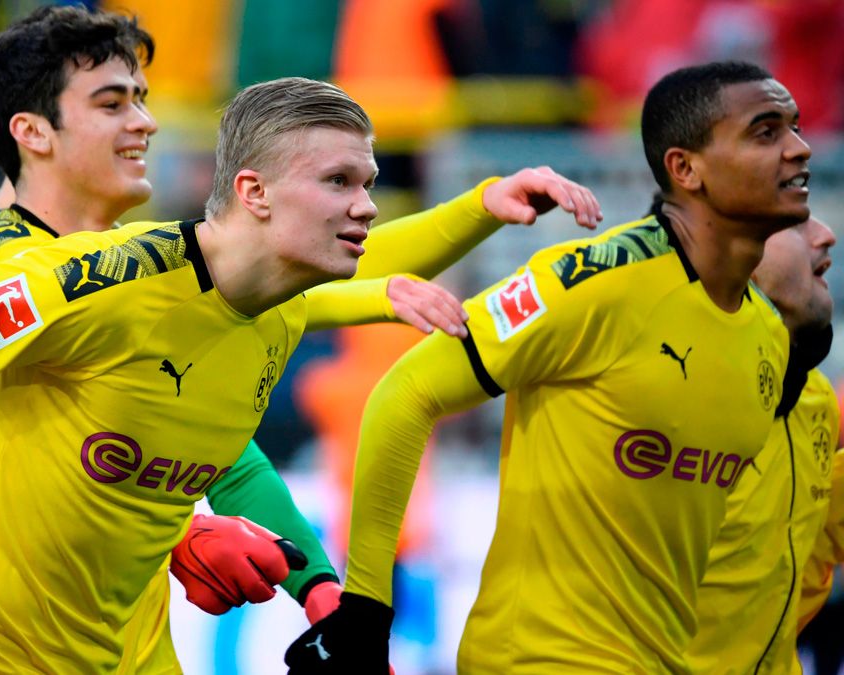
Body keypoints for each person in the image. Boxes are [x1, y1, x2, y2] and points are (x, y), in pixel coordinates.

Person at [0, 7, 602, 671]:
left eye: (144, 99)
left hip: (124, 632)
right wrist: (188, 532)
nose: (146, 123)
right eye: (113, 102)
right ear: (33, 132)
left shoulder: (150, 264)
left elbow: (262, 309)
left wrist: (318, 585)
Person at [287, 60, 809, 673]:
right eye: (766, 132)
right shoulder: (591, 281)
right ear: (684, 168)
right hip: (542, 658)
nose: (800, 150)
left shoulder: (767, 335)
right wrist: (367, 611)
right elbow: (405, 390)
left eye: (795, 128)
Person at [685, 211, 838, 673]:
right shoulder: (661, 388)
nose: (826, 236)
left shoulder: (816, 399)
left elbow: (791, 569)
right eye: (796, 224)